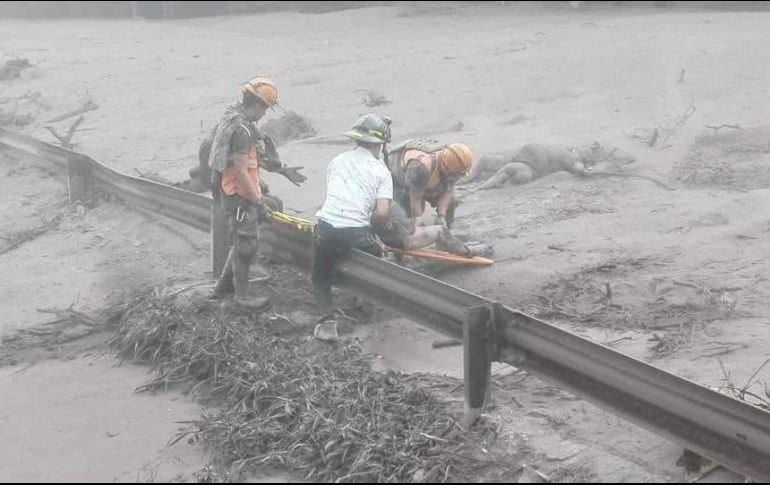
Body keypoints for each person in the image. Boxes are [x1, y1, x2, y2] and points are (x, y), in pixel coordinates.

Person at [209, 77, 288, 309]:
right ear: (256, 103)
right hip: (238, 195)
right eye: (265, 108)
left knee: (240, 240)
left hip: (232, 190)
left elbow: (247, 166)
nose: (264, 114)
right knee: (246, 245)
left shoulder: (233, 117)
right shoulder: (242, 130)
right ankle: (242, 297)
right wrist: (257, 200)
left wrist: (260, 185)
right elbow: (242, 173)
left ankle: (222, 288)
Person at [312, 114, 393, 307]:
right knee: (373, 255)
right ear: (379, 145)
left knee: (320, 274)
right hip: (356, 234)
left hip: (325, 229)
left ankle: (326, 316)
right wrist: (373, 232)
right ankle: (364, 301)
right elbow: (382, 213)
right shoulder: (382, 171)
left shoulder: (337, 161)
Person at [388, 139, 474, 255]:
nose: (458, 177)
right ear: (445, 168)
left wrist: (441, 216)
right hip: (399, 174)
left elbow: (448, 192)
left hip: (427, 178)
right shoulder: (420, 168)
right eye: (456, 175)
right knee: (406, 213)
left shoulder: (452, 166)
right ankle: (400, 251)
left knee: (451, 202)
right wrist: (419, 224)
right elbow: (415, 201)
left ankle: (445, 238)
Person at [466, 143, 597, 190]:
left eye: (582, 150)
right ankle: (466, 179)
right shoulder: (565, 150)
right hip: (519, 157)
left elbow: (577, 166)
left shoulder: (569, 156)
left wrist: (583, 170)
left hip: (529, 166)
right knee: (485, 160)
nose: (579, 148)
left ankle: (482, 186)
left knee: (511, 170)